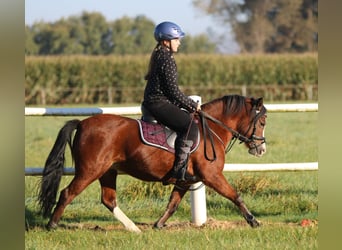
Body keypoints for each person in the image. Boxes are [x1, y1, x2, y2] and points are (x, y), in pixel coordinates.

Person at [142, 21, 201, 182]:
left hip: (154, 102)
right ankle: (179, 169)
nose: (179, 43)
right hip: (158, 103)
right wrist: (192, 105)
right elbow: (173, 92)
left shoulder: (159, 55)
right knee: (190, 126)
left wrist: (185, 104)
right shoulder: (167, 59)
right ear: (166, 41)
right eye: (176, 39)